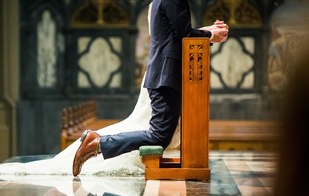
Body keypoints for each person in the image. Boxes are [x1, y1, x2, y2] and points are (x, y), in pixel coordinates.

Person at [72, 0, 229, 176]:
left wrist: (209, 32)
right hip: (166, 76)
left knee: (160, 136)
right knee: (158, 137)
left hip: (165, 74)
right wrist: (209, 34)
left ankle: (98, 143)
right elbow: (184, 34)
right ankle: (97, 144)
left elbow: (175, 33)